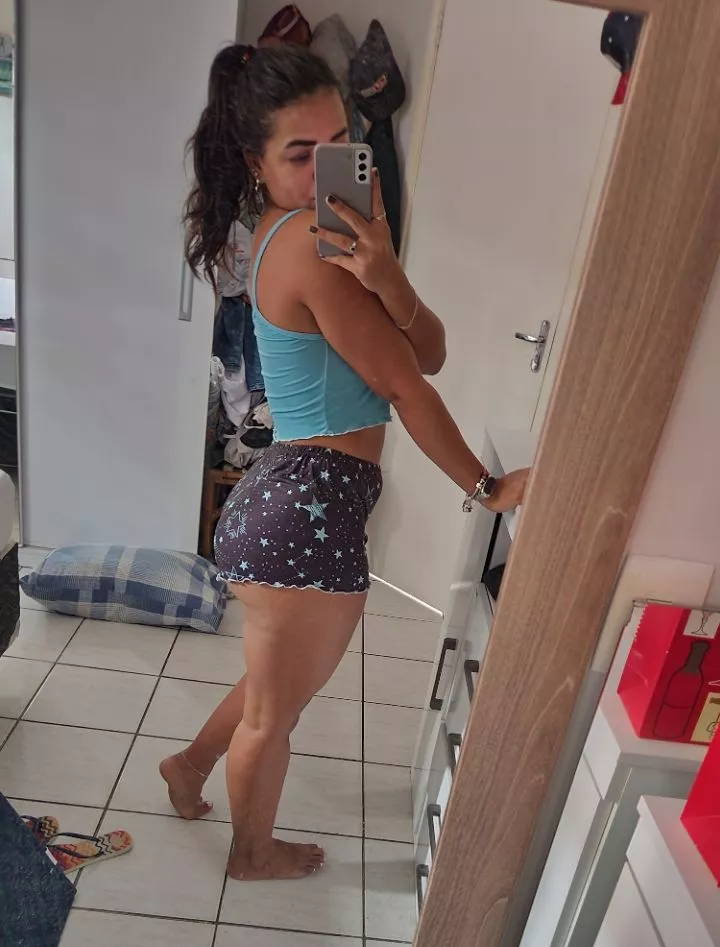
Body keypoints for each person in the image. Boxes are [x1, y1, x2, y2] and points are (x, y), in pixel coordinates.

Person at [160, 44, 529, 881]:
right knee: (275, 715)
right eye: (301, 154)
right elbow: (404, 386)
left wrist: (388, 271)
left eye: (340, 144)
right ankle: (252, 853)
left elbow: (428, 352)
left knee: (275, 691)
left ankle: (188, 767)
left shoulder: (318, 238)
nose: (324, 167)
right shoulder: (303, 244)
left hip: (300, 498)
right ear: (256, 163)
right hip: (307, 510)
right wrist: (486, 487)